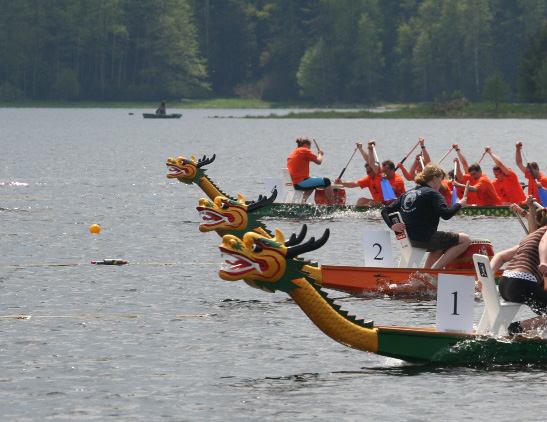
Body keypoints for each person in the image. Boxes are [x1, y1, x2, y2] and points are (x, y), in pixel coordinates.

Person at [381, 164, 471, 269]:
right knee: (466, 239)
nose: (441, 185)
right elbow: (446, 215)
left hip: (408, 239)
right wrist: (459, 204)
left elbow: (385, 211)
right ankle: (436, 271)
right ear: (434, 178)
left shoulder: (407, 193)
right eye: (441, 181)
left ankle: (426, 271)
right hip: (424, 239)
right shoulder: (434, 194)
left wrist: (392, 226)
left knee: (441, 244)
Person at [491, 201, 547, 336]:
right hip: (522, 283)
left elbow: (500, 256)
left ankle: (530, 332)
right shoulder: (544, 234)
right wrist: (544, 261)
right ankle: (516, 327)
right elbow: (545, 241)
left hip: (505, 285)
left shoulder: (531, 237)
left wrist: (487, 276)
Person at [287, 137, 335, 205]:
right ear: (306, 145)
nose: (310, 149)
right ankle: (333, 205)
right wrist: (320, 154)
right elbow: (319, 161)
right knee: (326, 181)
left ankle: (303, 203)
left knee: (312, 181)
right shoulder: (304, 150)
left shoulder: (295, 152)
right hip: (299, 183)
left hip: (293, 182)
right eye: (310, 147)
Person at [515, 141, 547, 206]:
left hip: (541, 205)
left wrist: (541, 188)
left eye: (531, 171)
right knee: (518, 204)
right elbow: (519, 163)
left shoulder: (543, 179)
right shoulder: (530, 176)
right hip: (531, 203)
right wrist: (518, 149)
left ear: (537, 169)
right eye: (528, 172)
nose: (529, 173)